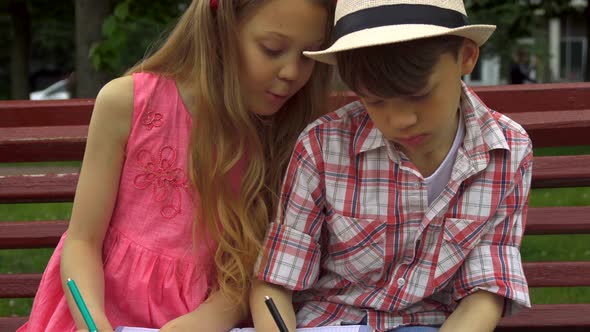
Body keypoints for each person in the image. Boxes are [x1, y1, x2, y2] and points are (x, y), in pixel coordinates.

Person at [18, 0, 334, 331]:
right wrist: (92, 321)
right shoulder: (128, 103)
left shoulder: (288, 136)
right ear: (219, 32)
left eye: (308, 56)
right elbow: (82, 241)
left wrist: (195, 325)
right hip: (98, 313)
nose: (292, 73)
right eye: (272, 49)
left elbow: (250, 271)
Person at [251, 1, 532, 331]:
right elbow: (275, 283)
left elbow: (485, 292)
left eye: (420, 95)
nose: (401, 120)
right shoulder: (323, 146)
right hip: (332, 322)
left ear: (466, 57)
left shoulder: (507, 150)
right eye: (376, 100)